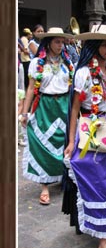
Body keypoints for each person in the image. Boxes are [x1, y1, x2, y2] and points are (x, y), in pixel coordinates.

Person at [62, 24, 106, 248]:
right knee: (96, 180)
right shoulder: (83, 73)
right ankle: (103, 240)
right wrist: (70, 141)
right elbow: (73, 110)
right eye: (104, 44)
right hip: (89, 131)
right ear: (93, 46)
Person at [21, 27, 74, 205]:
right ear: (49, 43)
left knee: (64, 143)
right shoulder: (37, 63)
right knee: (44, 143)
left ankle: (63, 178)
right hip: (45, 107)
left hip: (64, 106)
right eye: (57, 42)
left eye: (62, 42)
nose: (60, 45)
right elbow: (30, 89)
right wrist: (24, 112)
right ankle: (44, 185)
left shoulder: (68, 63)